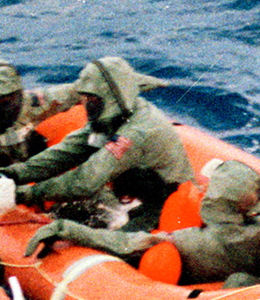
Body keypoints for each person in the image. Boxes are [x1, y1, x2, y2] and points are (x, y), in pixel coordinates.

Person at [27, 157, 260, 286]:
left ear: (214, 200)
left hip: (177, 284)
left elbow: (126, 242)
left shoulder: (191, 242)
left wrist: (64, 228)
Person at [11, 56, 194, 228]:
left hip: (163, 205)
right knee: (68, 211)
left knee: (102, 239)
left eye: (94, 99)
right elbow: (68, 151)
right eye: (86, 98)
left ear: (113, 97)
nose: (87, 105)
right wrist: (15, 174)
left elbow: (86, 181)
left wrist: (24, 194)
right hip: (131, 195)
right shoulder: (111, 117)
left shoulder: (136, 132)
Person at [0, 59, 76, 199]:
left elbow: (71, 93)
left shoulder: (30, 103)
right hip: (5, 180)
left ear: (19, 94)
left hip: (33, 170)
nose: (9, 109)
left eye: (12, 100)